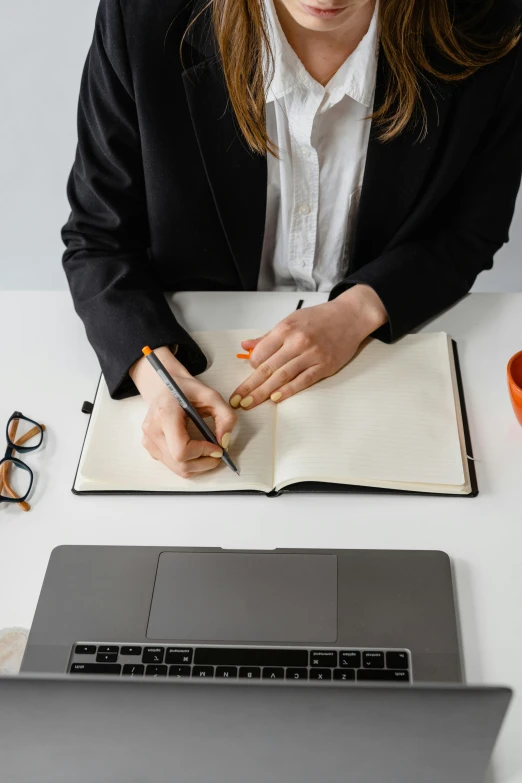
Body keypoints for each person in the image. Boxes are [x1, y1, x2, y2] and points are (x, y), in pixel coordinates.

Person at [63, 0, 522, 479]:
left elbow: (471, 228)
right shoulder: (141, 16)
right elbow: (98, 236)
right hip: (194, 344)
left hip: (386, 362)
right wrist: (160, 380)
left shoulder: (488, 24)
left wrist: (359, 311)